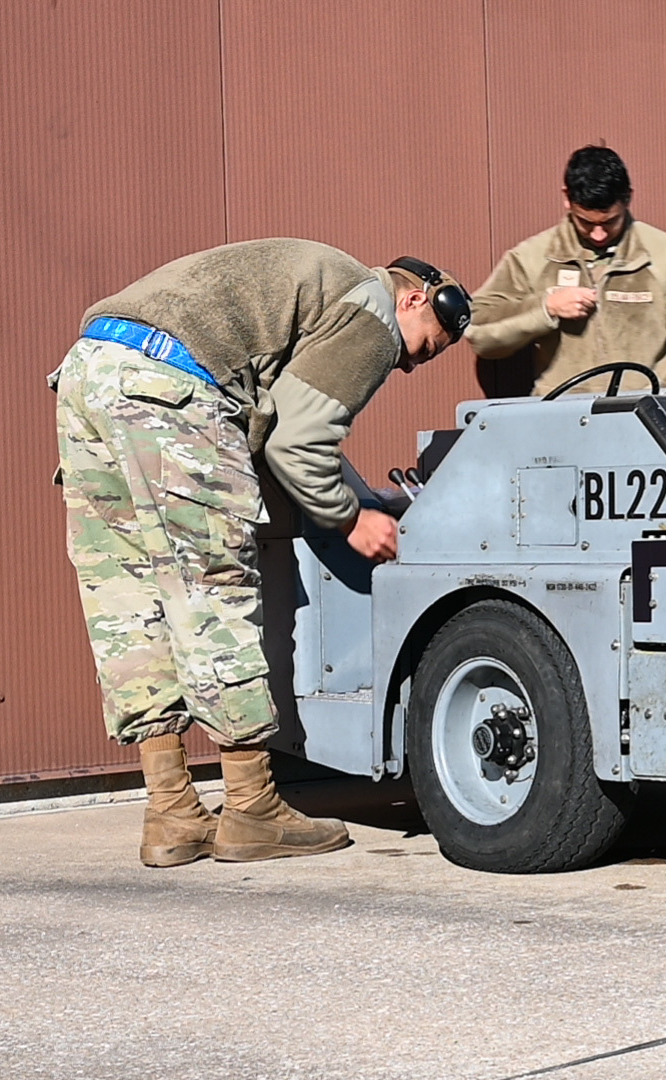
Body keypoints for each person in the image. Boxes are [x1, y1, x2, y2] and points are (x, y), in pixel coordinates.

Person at [51, 238, 471, 867]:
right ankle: (251, 808)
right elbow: (298, 443)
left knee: (128, 597)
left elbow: (279, 420)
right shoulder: (373, 308)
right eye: (422, 347)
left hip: (90, 370)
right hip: (172, 385)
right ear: (413, 298)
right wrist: (352, 519)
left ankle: (171, 812)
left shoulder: (317, 285)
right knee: (213, 588)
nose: (407, 365)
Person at [466, 145, 666, 395]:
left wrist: (659, 401)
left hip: (645, 419)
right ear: (567, 198)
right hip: (561, 419)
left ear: (628, 198)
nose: (598, 234)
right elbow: (478, 328)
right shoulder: (533, 257)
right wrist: (546, 308)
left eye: (610, 222)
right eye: (586, 222)